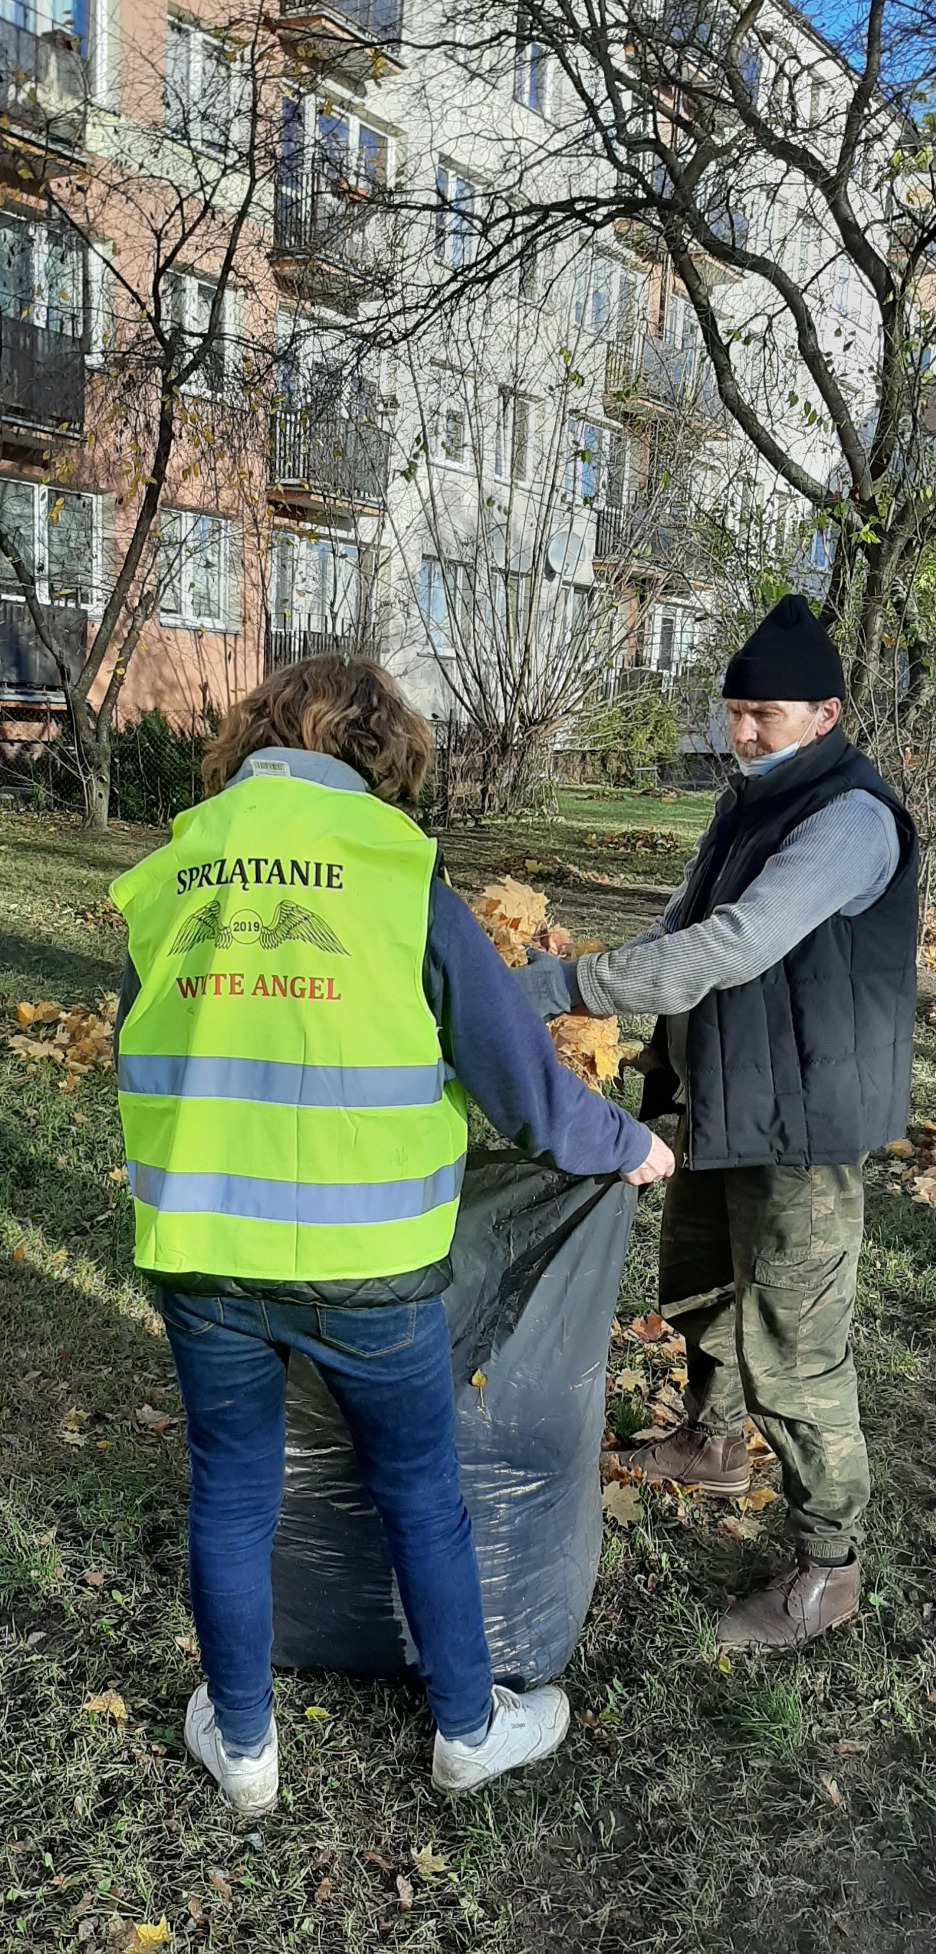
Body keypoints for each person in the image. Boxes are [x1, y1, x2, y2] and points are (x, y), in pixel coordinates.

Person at [109, 655, 674, 1816]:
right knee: (421, 1492)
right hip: (368, 1271)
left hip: (204, 1251)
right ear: (379, 750)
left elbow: (141, 1045)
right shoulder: (392, 868)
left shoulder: (172, 869)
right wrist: (626, 1144)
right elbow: (517, 1078)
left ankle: (247, 1747)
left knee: (228, 1492)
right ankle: (467, 1729)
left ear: (261, 730)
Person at [520, 596, 918, 1653]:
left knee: (794, 1352)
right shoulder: (748, 797)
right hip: (724, 1099)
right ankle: (709, 1442)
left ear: (825, 713)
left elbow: (733, 943)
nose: (738, 731)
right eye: (733, 709)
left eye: (764, 714)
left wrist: (569, 980)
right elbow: (682, 921)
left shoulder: (848, 819)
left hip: (803, 1129)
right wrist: (599, 972)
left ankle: (827, 1568)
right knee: (699, 1285)